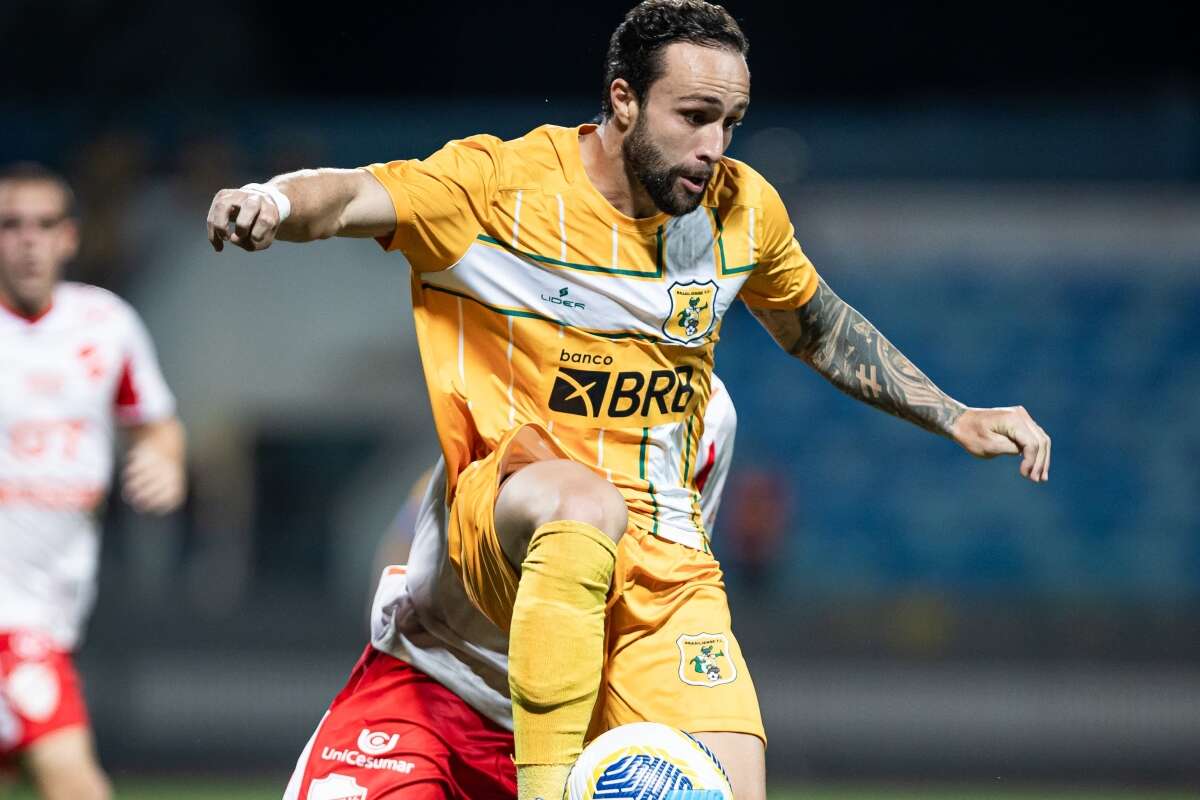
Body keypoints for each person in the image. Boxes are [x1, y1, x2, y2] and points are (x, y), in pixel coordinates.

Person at [206, 2, 1050, 797]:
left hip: (655, 583)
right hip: (487, 563)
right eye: (694, 116)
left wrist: (953, 412)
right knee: (580, 502)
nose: (716, 144)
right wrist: (274, 202)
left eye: (732, 122)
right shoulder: (500, 190)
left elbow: (818, 327)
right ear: (623, 100)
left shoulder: (740, 214)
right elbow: (352, 193)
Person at [283, 374, 736, 800]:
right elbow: (415, 522)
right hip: (434, 689)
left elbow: (670, 582)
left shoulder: (708, 413)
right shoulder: (510, 343)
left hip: (578, 735)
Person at [0, 162, 187, 800]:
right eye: (10, 225)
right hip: (10, 618)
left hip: (56, 611)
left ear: (69, 238)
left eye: (44, 224)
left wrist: (165, 460)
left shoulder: (106, 326)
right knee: (71, 777)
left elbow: (156, 425)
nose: (28, 240)